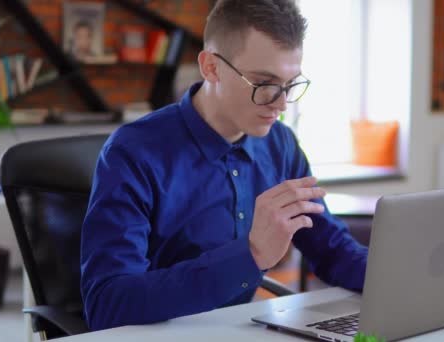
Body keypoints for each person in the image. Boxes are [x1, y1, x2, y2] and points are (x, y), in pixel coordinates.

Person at [80, 0, 368, 331]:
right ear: (211, 68)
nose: (280, 104)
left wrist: (403, 277)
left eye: (289, 85)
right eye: (264, 83)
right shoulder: (133, 152)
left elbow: (332, 251)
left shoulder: (281, 144)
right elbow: (108, 304)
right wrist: (251, 254)